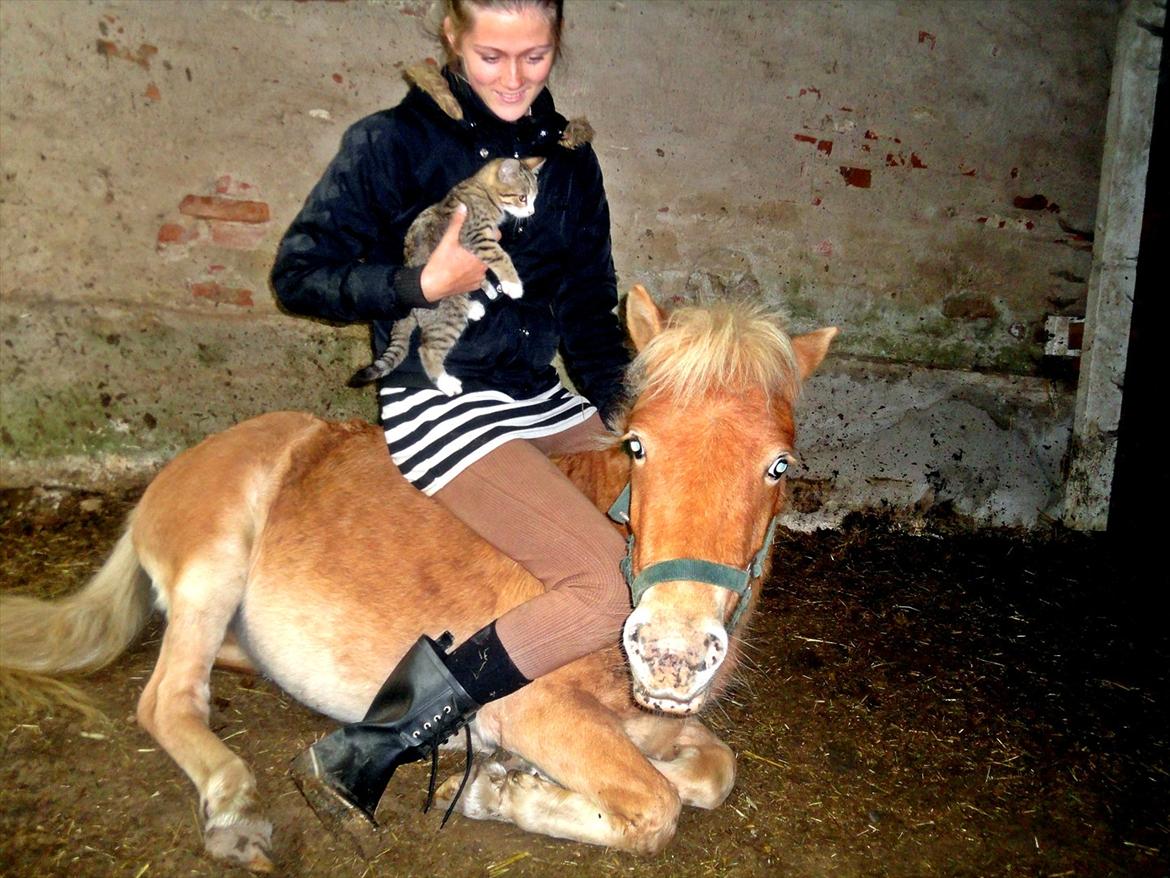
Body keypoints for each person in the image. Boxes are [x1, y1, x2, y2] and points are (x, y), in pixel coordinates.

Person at [270, 0, 632, 826]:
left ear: (557, 47)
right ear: (451, 39)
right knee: (605, 585)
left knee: (657, 511)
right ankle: (374, 746)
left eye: (534, 58)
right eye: (492, 57)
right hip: (443, 400)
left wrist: (633, 418)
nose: (513, 79)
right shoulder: (387, 144)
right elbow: (298, 276)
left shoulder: (571, 162)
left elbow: (588, 314)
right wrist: (416, 288)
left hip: (541, 398)